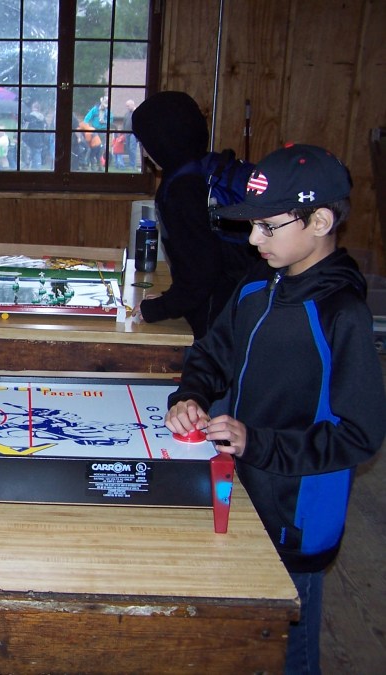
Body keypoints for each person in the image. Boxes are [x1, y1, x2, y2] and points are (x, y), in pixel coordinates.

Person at [164, 143, 386, 674]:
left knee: (289, 644)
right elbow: (212, 353)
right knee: (239, 628)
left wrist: (257, 442)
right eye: (251, 226)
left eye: (268, 227)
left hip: (297, 513)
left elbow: (359, 433)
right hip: (240, 487)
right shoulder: (257, 285)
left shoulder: (343, 315)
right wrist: (191, 396)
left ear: (320, 222)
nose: (253, 239)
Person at [130, 91, 257, 339]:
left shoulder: (182, 189)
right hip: (240, 302)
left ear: (164, 140)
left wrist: (157, 309)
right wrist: (171, 299)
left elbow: (201, 274)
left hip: (217, 319)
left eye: (145, 143)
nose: (144, 153)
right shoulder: (204, 167)